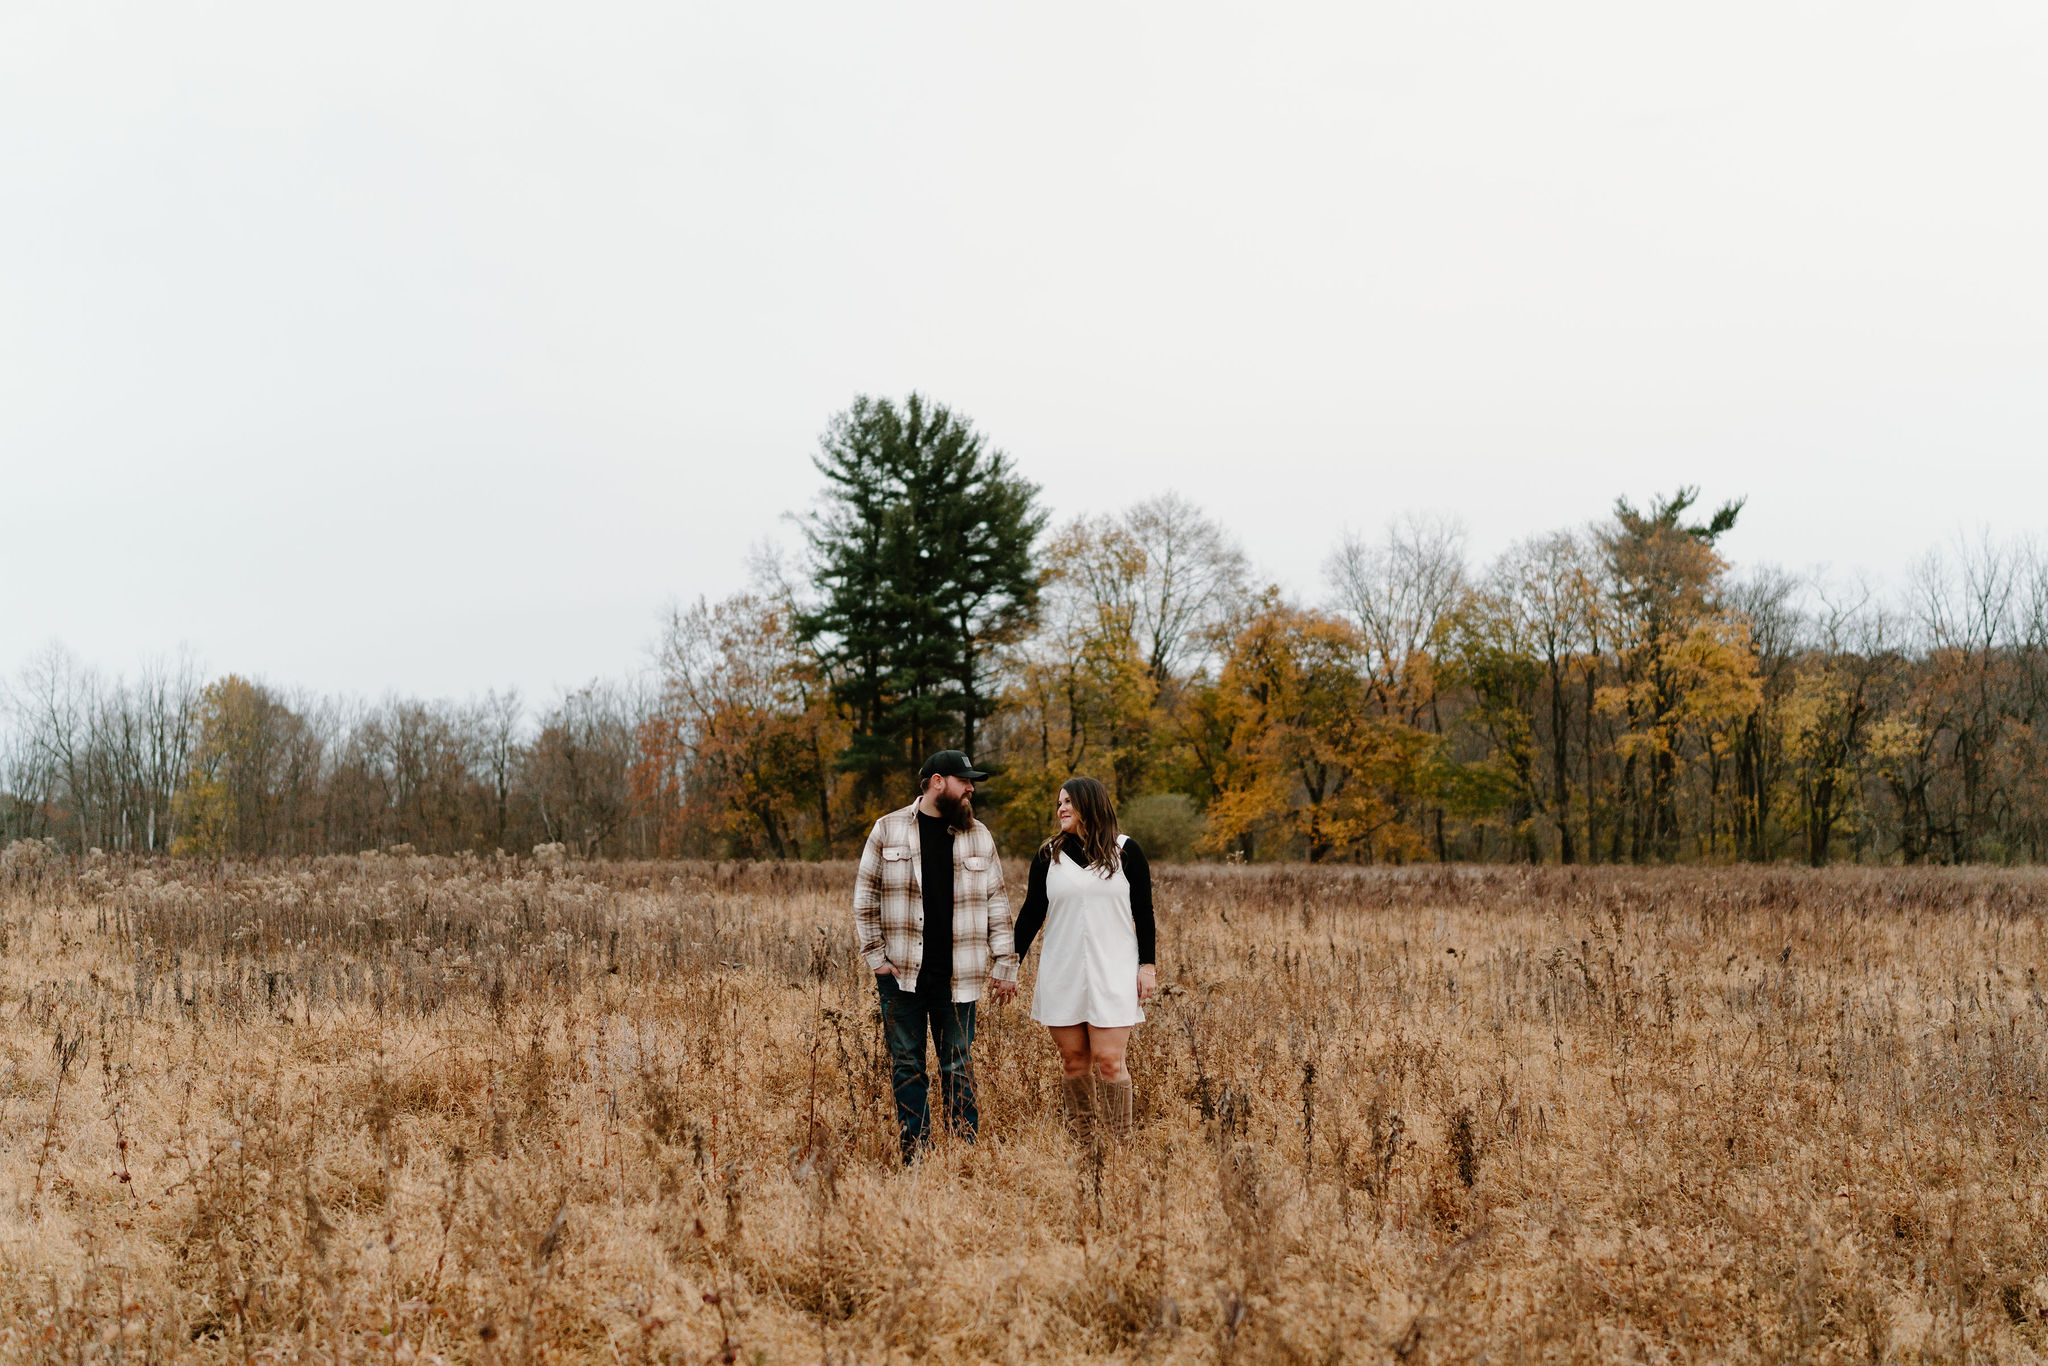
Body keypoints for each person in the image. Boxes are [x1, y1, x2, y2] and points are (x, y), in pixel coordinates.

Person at [852, 750, 1020, 1164]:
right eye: (965, 781)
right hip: (902, 976)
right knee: (907, 1068)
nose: (971, 789)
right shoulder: (888, 829)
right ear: (938, 782)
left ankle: (965, 1156)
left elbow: (998, 903)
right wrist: (876, 959)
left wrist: (1005, 964)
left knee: (958, 1067)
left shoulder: (978, 834)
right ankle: (917, 1156)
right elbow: (864, 898)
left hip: (958, 978)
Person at [1012, 776, 1155, 1139]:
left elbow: (1145, 912)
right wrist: (1007, 964)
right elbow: (1031, 913)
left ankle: (1117, 1143)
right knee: (1074, 1061)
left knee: (1110, 1061)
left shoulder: (1126, 852)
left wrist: (1148, 966)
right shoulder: (1048, 855)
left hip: (1114, 970)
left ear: (1089, 804)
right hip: (1062, 970)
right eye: (1059, 803)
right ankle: (1084, 1141)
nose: (1061, 809)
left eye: (1068, 802)